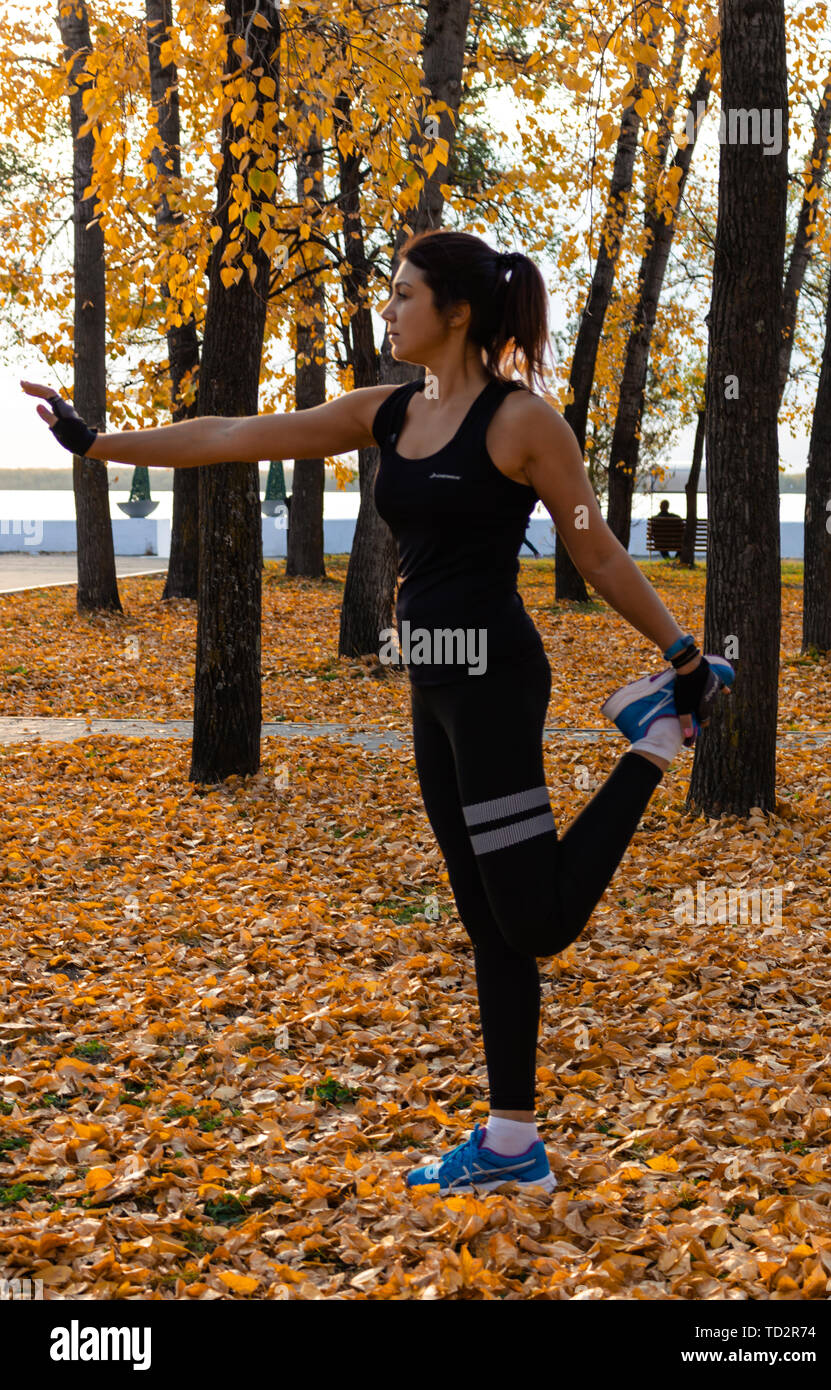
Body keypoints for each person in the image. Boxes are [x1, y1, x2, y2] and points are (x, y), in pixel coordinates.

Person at [20, 228, 734, 1199]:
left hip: (491, 682)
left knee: (535, 921)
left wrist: (680, 653)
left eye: (402, 295)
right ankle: (511, 1144)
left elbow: (594, 547)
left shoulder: (521, 422)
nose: (386, 309)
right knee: (488, 922)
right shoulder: (388, 413)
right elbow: (238, 434)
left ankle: (651, 740)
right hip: (430, 689)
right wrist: (100, 443)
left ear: (456, 312)